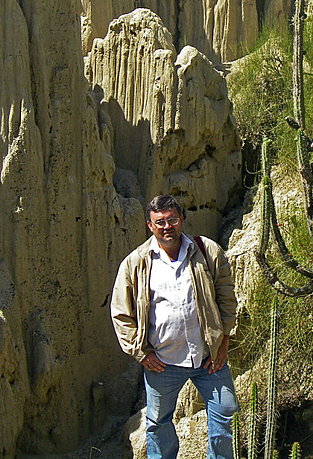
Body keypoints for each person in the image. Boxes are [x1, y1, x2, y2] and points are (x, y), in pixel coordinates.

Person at [111, 194, 238, 459]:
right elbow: (121, 314)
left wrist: (224, 341)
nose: (167, 226)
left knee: (226, 413)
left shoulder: (206, 251)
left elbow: (226, 296)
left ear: (181, 219)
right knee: (158, 424)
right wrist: (141, 353)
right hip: (163, 363)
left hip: (209, 359)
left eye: (171, 220)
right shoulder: (136, 263)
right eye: (160, 222)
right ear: (150, 225)